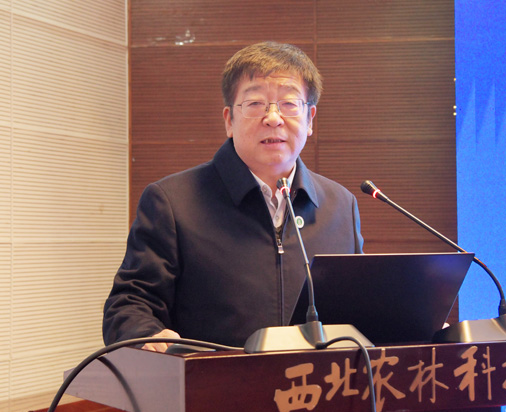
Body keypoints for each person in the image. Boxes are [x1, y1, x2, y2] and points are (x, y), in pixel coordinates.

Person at [103, 41, 364, 352]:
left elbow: (357, 309)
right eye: (255, 103)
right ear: (229, 120)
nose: (273, 118)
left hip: (316, 381)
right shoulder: (173, 203)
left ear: (309, 120)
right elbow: (129, 305)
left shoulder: (341, 206)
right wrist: (148, 335)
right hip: (210, 379)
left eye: (289, 104)